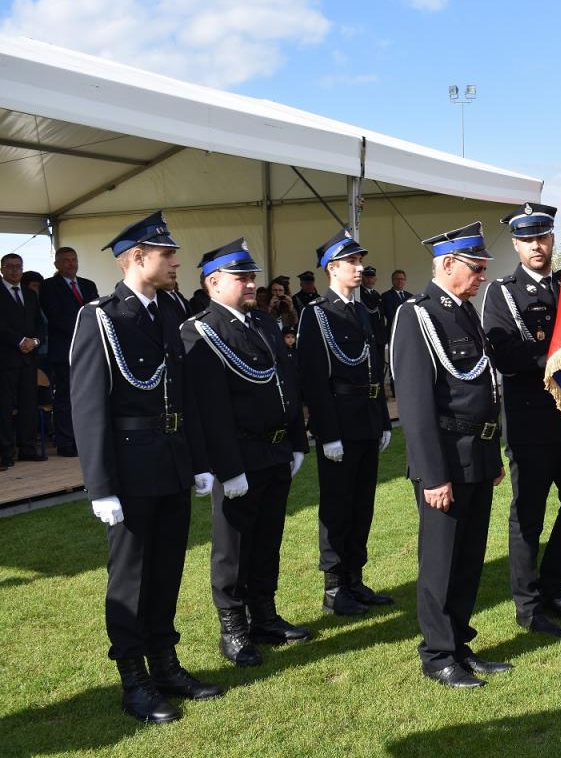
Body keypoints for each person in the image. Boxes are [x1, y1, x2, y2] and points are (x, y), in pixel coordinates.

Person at [69, 211, 222, 724]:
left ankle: (165, 662)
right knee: (131, 578)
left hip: (172, 461)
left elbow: (186, 395)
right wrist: (100, 486)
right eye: (166, 254)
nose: (176, 262)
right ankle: (134, 679)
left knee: (167, 570)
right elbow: (88, 406)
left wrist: (198, 460)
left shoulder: (166, 312)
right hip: (130, 469)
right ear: (138, 257)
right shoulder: (101, 316)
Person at [181, 239, 311, 669]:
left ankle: (265, 616)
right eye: (243, 278)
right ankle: (233, 628)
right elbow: (207, 407)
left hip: (275, 449)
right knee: (232, 546)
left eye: (252, 276)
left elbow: (285, 382)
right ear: (214, 282)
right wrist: (227, 467)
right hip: (238, 453)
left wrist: (296, 439)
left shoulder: (264, 323)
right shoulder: (200, 329)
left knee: (268, 538)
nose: (252, 284)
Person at [392, 221, 510, 688]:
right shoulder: (417, 316)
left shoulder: (464, 313)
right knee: (441, 562)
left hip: (477, 454)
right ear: (447, 264)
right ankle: (438, 654)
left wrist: (493, 453)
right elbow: (417, 406)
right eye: (476, 266)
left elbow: (484, 387)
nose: (483, 274)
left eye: (484, 267)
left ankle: (460, 642)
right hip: (445, 460)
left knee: (469, 559)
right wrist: (432, 475)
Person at [482, 203, 561, 639]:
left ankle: (552, 588)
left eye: (543, 237)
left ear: (553, 239)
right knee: (528, 515)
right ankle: (528, 606)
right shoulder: (502, 292)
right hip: (531, 422)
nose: (537, 246)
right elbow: (506, 355)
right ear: (515, 244)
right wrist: (560, 357)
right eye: (528, 239)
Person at [297, 230, 393, 616]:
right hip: (340, 422)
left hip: (367, 419)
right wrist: (327, 432)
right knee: (337, 506)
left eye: (359, 261)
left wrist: (383, 418)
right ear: (332, 268)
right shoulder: (316, 314)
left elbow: (374, 369)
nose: (359, 268)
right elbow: (313, 379)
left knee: (362, 504)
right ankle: (334, 587)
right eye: (351, 262)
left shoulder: (360, 309)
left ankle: (355, 578)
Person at [40, 246, 100, 457]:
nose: (71, 264)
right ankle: (65, 441)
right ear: (56, 264)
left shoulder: (88, 284)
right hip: (65, 349)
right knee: (65, 397)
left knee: (89, 396)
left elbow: (96, 312)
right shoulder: (49, 286)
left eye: (74, 259)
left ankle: (86, 439)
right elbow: (55, 316)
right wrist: (83, 331)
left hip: (90, 350)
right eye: (66, 260)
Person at [1, 252, 43, 467]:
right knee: (4, 408)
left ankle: (27, 449)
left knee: (29, 405)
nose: (15, 270)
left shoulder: (29, 294)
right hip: (5, 360)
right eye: (10, 267)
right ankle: (4, 454)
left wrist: (34, 341)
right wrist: (19, 341)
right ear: (2, 269)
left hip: (28, 359)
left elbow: (39, 323)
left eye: (18, 266)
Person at [359, 266, 388, 346]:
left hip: (379, 336)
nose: (369, 280)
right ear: (362, 279)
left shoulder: (377, 294)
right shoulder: (357, 292)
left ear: (375, 279)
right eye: (367, 277)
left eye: (372, 278)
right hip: (368, 335)